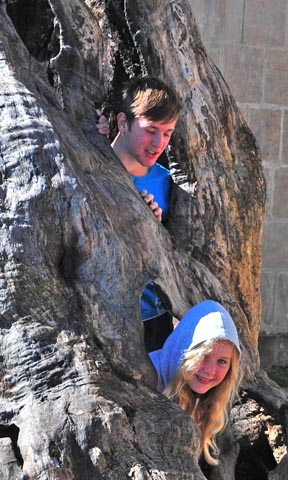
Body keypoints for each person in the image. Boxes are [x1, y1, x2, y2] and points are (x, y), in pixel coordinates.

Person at [97, 77, 181, 352]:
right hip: (102, 315)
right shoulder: (89, 166)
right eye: (151, 130)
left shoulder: (169, 183)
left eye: (167, 133)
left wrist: (153, 229)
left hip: (155, 319)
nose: (159, 143)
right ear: (123, 122)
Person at [149, 300, 242, 466]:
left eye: (221, 361)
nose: (209, 370)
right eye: (203, 356)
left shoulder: (198, 394)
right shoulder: (148, 379)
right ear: (184, 351)